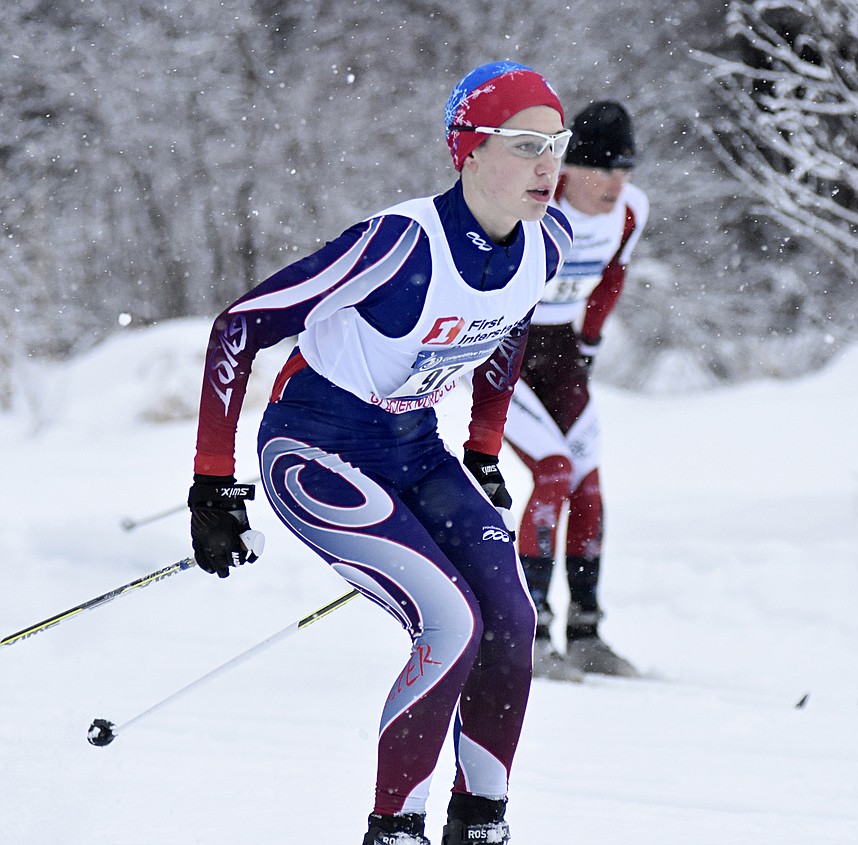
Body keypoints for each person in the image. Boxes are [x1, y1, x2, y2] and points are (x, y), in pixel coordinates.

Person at [185, 61, 573, 845]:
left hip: (416, 450)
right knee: (450, 621)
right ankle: (393, 831)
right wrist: (212, 484)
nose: (548, 164)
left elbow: (505, 328)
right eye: (526, 143)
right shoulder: (400, 242)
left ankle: (479, 823)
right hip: (312, 449)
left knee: (510, 617)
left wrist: (485, 447)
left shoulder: (546, 244)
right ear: (468, 150)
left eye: (557, 144)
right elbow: (239, 325)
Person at [502, 101, 648, 681]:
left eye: (625, 168)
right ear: (568, 167)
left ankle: (586, 632)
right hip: (505, 353)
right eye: (601, 168)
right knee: (554, 471)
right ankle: (530, 631)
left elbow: (611, 277)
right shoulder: (536, 205)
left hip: (561, 353)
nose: (615, 183)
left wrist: (588, 343)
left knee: (587, 480)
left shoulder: (630, 212)